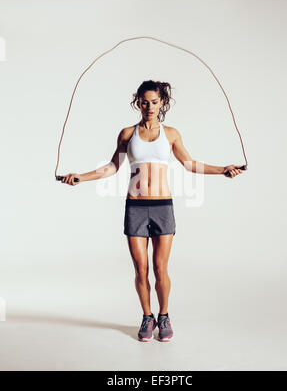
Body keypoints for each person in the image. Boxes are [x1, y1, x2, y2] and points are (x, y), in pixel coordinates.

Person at [59, 80, 243, 342]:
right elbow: (112, 167)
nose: (149, 107)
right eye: (144, 102)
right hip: (135, 206)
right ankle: (147, 316)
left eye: (155, 102)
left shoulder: (171, 134)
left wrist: (222, 169)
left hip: (161, 206)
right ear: (138, 102)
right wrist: (81, 177)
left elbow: (189, 163)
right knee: (141, 269)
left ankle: (164, 315)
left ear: (162, 103)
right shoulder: (126, 133)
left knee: (160, 267)